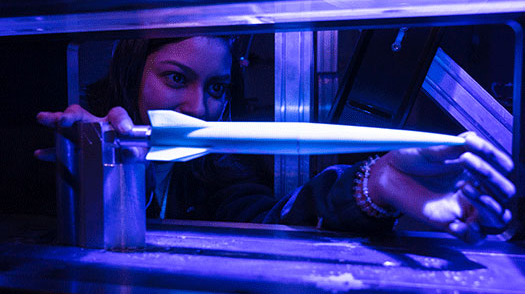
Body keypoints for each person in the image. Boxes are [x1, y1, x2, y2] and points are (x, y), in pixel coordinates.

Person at [35, 36, 516, 244]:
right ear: (130, 72)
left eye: (217, 89)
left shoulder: (215, 172)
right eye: (176, 79)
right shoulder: (75, 143)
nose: (198, 108)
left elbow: (276, 220)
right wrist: (85, 164)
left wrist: (381, 180)